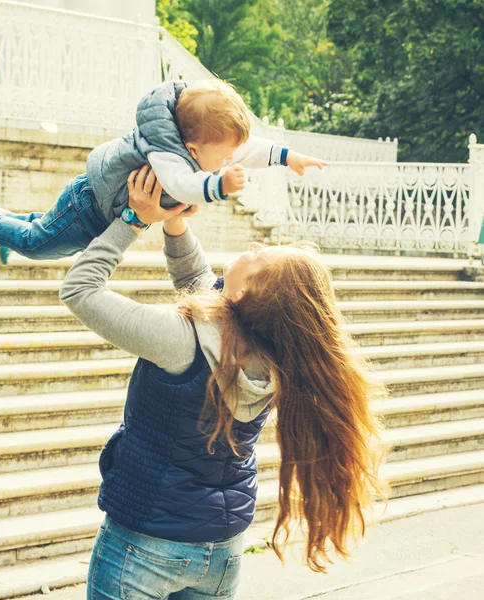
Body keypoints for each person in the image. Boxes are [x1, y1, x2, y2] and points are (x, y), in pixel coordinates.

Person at [58, 165, 389, 600]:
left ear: (243, 296)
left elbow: (80, 290)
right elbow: (204, 291)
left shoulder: (181, 340)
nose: (254, 245)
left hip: (146, 543)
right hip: (221, 549)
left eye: (261, 255)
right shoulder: (279, 351)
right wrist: (175, 224)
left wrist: (133, 220)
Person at [0, 79, 326, 266]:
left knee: (45, 230)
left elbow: (250, 149)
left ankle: (6, 231)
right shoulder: (168, 154)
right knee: (39, 245)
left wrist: (288, 156)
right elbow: (181, 184)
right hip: (90, 207)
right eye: (226, 157)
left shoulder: (196, 139)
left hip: (100, 205)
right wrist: (218, 184)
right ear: (195, 149)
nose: (234, 160)